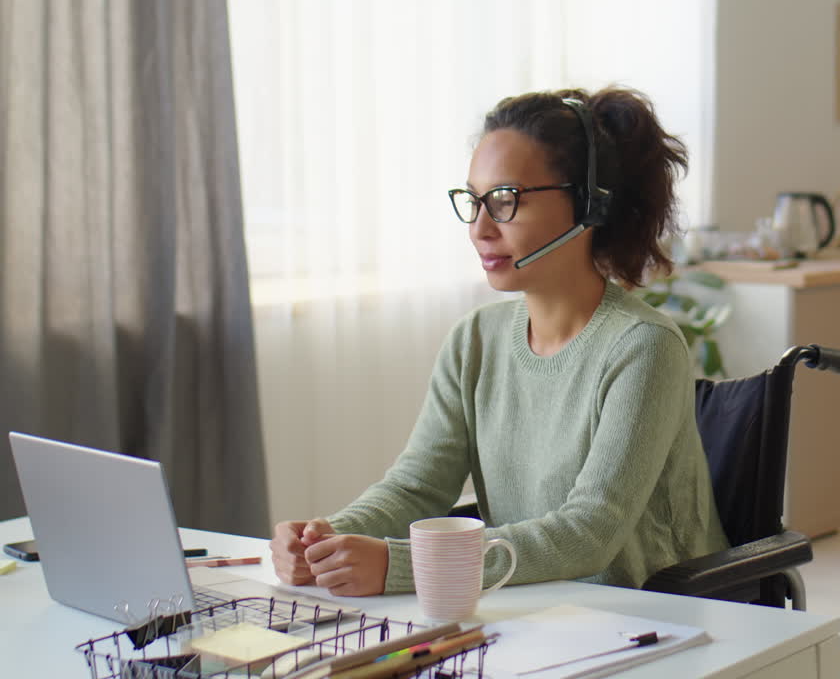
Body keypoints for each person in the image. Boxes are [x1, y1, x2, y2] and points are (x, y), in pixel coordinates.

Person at [269, 87, 729, 596]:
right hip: (536, 611)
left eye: (505, 200)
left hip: (656, 621)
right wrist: (329, 537)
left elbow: (588, 535)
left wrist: (401, 566)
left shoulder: (643, 348)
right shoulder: (474, 342)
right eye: (473, 200)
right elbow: (417, 488)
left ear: (588, 205)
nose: (479, 228)